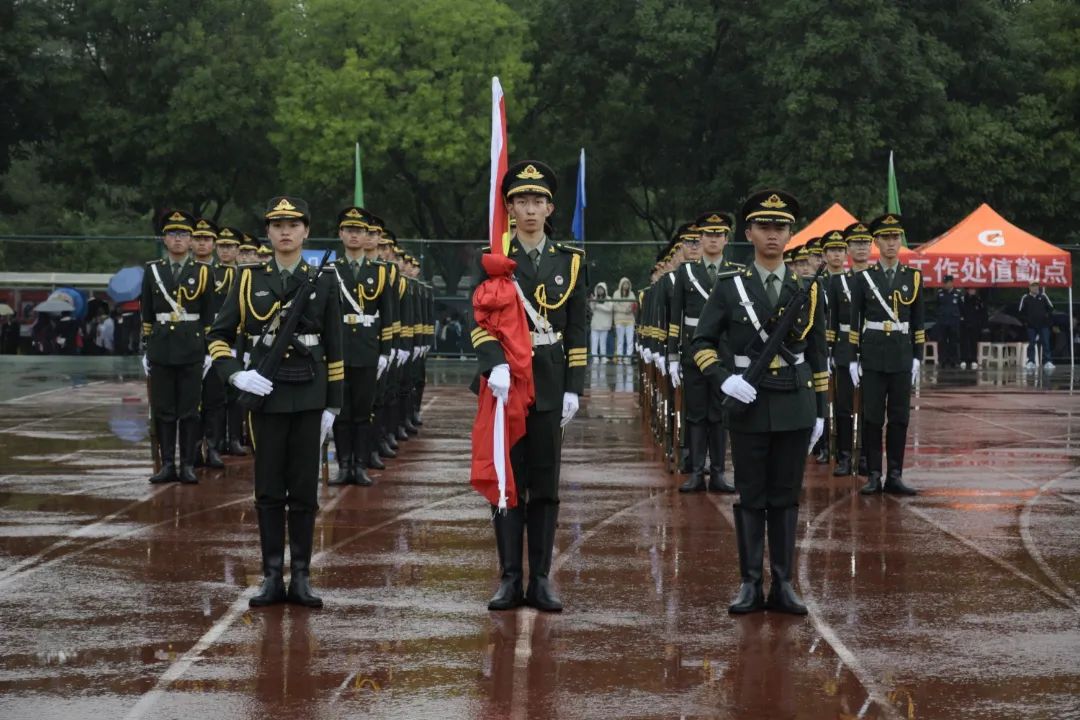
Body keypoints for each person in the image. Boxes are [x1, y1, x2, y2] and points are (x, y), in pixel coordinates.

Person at [689, 190, 827, 615]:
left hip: (795, 403)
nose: (773, 234)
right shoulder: (730, 286)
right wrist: (724, 380)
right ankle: (750, 583)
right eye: (764, 226)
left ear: (790, 234)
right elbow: (701, 342)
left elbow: (818, 355)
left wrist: (821, 411)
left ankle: (783, 583)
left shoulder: (806, 289)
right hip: (747, 402)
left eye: (780, 227)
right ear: (749, 232)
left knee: (785, 496)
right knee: (751, 496)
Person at [206, 195, 343, 609]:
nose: (285, 232)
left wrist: (332, 406)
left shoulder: (324, 280)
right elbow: (218, 336)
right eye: (277, 225)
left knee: (303, 491)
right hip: (264, 395)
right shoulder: (248, 279)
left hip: (308, 396)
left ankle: (301, 576)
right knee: (267, 490)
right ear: (267, 232)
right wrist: (235, 374)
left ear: (305, 231)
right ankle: (270, 576)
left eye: (293, 225)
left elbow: (336, 347)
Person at [472, 160, 587, 613]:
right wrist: (493, 365)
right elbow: (479, 321)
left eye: (538, 200)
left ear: (550, 207)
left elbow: (577, 329)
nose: (531, 209)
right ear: (510, 208)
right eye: (522, 200)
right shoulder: (493, 260)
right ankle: (509, 578)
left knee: (545, 484)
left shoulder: (570, 261)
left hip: (551, 383)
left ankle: (539, 579)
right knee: (508, 482)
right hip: (508, 384)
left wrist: (574, 387)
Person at [846, 213, 923, 496]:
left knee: (900, 418)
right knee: (872, 418)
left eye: (895, 237)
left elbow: (918, 320)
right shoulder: (864, 278)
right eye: (886, 238)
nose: (891, 243)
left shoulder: (913, 277)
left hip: (901, 355)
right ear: (876, 242)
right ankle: (874, 474)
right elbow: (855, 320)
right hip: (873, 355)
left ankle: (895, 474)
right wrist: (853, 357)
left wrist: (917, 356)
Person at [669, 211, 741, 494]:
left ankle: (719, 473)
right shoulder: (686, 272)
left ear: (726, 239)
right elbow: (675, 317)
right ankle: (697, 472)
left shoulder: (735, 272)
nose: (713, 239)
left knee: (720, 414)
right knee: (696, 413)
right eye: (708, 234)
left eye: (718, 235)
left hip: (724, 352)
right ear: (700, 238)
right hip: (693, 352)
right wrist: (672, 356)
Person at [141, 210, 214, 484]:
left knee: (190, 410)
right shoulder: (153, 270)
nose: (178, 239)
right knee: (164, 410)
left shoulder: (203, 271)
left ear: (191, 239)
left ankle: (188, 464)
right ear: (164, 238)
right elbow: (147, 312)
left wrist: (208, 350)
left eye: (183, 234)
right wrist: (146, 347)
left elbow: (209, 315)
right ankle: (168, 464)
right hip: (161, 347)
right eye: (172, 234)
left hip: (192, 347)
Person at [329, 206, 393, 486]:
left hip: (368, 350)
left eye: (359, 231)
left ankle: (360, 465)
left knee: (364, 411)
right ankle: (344, 465)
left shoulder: (380, 272)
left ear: (367, 235)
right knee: (341, 412)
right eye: (349, 230)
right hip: (339, 349)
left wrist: (386, 351)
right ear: (341, 234)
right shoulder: (331, 271)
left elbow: (388, 313)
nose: (354, 235)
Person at [191, 218, 227, 469]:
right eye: (198, 238)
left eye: (207, 239)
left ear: (214, 244)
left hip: (218, 344)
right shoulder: (185, 272)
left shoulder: (226, 273)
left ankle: (213, 446)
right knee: (191, 402)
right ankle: (193, 448)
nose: (202, 243)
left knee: (215, 399)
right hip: (190, 344)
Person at [215, 226, 248, 455]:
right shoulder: (208, 273)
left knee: (237, 395)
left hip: (241, 340)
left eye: (230, 246)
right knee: (216, 395)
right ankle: (216, 440)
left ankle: (235, 437)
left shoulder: (246, 274)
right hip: (218, 339)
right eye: (222, 246)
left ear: (238, 249)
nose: (225, 250)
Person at [1018, 281, 1054, 370]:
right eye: (1033, 286)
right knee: (1031, 343)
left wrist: (1046, 319)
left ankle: (1048, 361)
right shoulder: (1025, 297)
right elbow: (1020, 311)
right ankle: (1031, 361)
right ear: (1029, 287)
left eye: (1037, 285)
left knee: (1046, 343)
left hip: (1043, 325)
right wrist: (1027, 321)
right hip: (1031, 326)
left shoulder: (1043, 296)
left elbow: (1051, 308)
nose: (1035, 288)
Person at [935, 275, 962, 368]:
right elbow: (937, 306)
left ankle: (954, 360)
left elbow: (961, 307)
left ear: (951, 283)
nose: (945, 285)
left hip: (953, 322)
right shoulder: (940, 293)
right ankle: (943, 360)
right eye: (944, 283)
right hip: (942, 321)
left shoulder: (958, 293)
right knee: (942, 341)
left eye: (946, 283)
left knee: (953, 341)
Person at [958, 288, 986, 369]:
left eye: (974, 289)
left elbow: (981, 312)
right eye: (971, 289)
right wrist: (962, 319)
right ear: (967, 290)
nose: (973, 291)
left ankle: (974, 359)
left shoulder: (978, 300)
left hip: (975, 324)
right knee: (964, 342)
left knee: (974, 342)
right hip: (964, 324)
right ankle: (963, 359)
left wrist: (980, 323)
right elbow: (959, 310)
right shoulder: (962, 299)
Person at [612, 277, 636, 364]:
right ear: (621, 284)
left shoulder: (632, 294)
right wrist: (624, 310)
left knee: (630, 340)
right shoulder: (616, 293)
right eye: (624, 284)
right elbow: (614, 306)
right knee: (620, 340)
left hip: (630, 320)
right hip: (619, 319)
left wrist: (630, 309)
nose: (626, 285)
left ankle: (628, 358)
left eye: (627, 284)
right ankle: (620, 357)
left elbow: (634, 304)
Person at [589, 282, 614, 364]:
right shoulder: (594, 298)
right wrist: (593, 301)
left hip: (605, 324)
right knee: (594, 342)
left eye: (601, 289)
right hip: (595, 324)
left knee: (603, 343)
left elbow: (609, 309)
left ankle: (603, 357)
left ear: (604, 290)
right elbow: (592, 309)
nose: (600, 290)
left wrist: (598, 306)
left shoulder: (609, 299)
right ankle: (595, 358)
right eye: (598, 289)